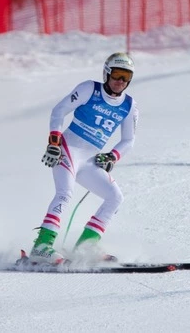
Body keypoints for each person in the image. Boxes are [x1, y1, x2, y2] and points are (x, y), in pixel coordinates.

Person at [30, 52, 139, 265]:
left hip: (90, 161)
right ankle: (41, 247)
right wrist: (54, 140)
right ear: (106, 73)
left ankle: (86, 246)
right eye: (116, 74)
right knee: (65, 194)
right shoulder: (90, 88)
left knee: (115, 197)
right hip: (68, 150)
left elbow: (128, 140)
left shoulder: (130, 106)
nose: (120, 81)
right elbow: (59, 110)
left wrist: (112, 156)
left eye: (126, 77)